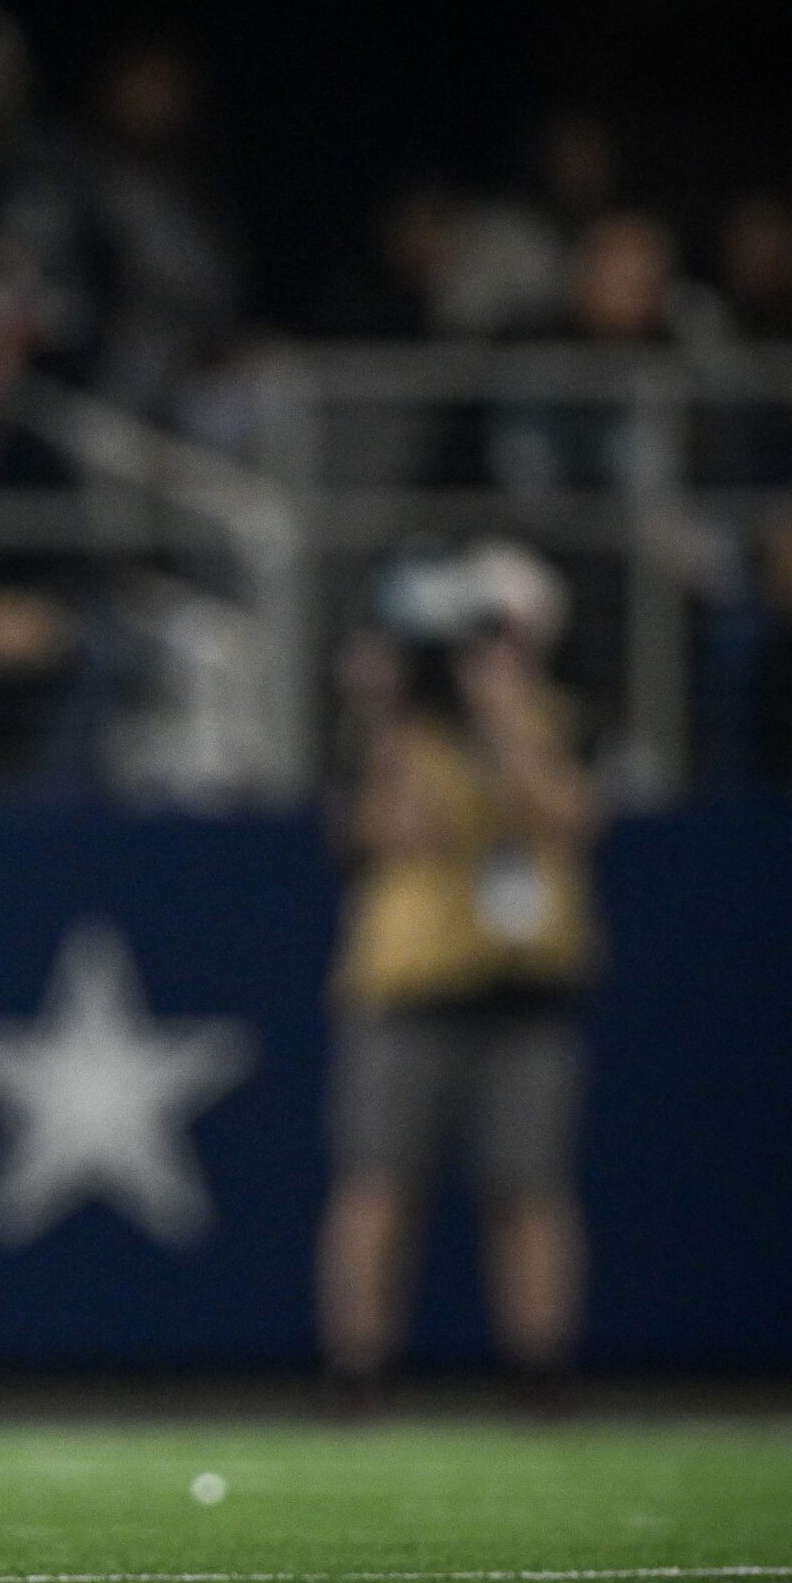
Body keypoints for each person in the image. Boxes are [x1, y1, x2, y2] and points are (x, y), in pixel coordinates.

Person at [318, 542, 603, 1413]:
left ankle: (540, 1371)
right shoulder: (398, 729)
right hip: (411, 983)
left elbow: (568, 815)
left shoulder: (555, 716)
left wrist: (505, 716)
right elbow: (393, 832)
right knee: (378, 1184)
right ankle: (358, 1375)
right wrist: (387, 716)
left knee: (531, 1188)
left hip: (526, 984)